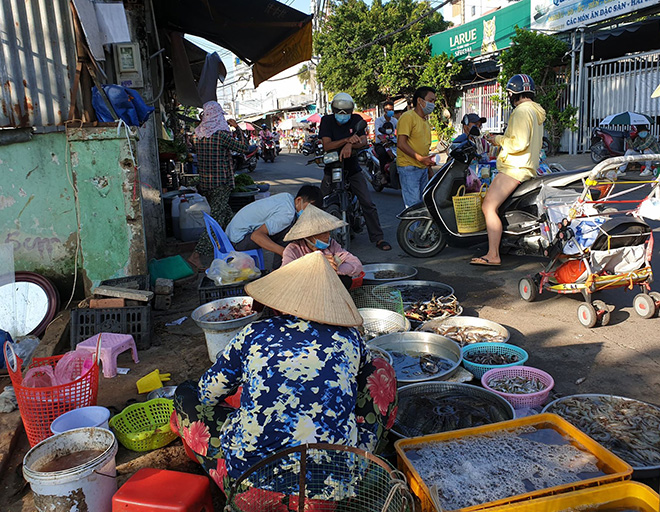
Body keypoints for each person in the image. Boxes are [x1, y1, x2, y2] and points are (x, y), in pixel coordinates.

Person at [172, 251, 398, 495]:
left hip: (252, 478)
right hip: (336, 481)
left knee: (186, 392)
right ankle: (360, 456)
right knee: (379, 369)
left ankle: (231, 478)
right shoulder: (349, 337)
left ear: (278, 303)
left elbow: (207, 393)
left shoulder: (253, 333)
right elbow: (362, 374)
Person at [474, 74, 546, 267]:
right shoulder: (536, 112)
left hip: (514, 168)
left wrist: (497, 139)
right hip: (526, 167)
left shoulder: (522, 111)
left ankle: (492, 254)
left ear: (512, 93)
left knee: (488, 207)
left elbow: (519, 143)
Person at [319, 92, 391, 251]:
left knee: (367, 202)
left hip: (352, 168)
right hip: (332, 167)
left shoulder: (357, 120)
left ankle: (378, 238)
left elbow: (364, 141)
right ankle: (316, 241)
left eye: (346, 112)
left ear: (351, 110)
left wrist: (350, 146)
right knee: (320, 204)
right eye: (339, 112)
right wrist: (347, 140)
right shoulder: (326, 121)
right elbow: (327, 145)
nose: (343, 115)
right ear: (333, 110)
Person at [188, 101, 249, 270]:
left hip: (206, 184)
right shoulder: (221, 135)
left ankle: (236, 249)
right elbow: (243, 147)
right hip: (221, 183)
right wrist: (237, 128)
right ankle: (196, 254)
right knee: (216, 220)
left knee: (228, 217)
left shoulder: (197, 135)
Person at [225, 185, 322, 268]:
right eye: (309, 208)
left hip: (231, 234)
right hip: (237, 241)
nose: (310, 213)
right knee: (289, 235)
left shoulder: (287, 197)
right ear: (299, 200)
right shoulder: (287, 214)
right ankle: (279, 270)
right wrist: (284, 252)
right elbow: (256, 236)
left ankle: (280, 267)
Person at [282, 204, 363, 289]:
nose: (327, 235)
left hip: (328, 288)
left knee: (345, 280)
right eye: (322, 233)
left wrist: (334, 268)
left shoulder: (332, 244)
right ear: (308, 236)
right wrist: (317, 267)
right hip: (305, 289)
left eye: (328, 232)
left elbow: (356, 264)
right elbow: (286, 275)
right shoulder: (293, 249)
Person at [397, 86, 436, 208]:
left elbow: (424, 148)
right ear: (420, 100)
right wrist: (420, 159)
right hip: (409, 168)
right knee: (413, 207)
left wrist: (428, 168)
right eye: (431, 100)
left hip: (422, 168)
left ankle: (419, 228)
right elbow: (401, 143)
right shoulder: (408, 117)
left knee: (421, 205)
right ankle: (412, 227)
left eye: (434, 101)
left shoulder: (425, 121)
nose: (433, 104)